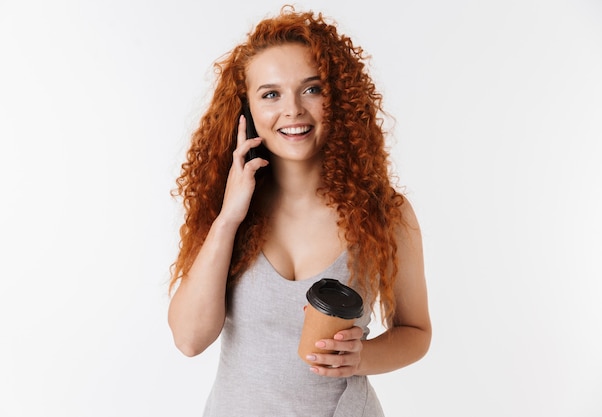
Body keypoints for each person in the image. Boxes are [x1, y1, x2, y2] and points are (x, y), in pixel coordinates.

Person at [167, 5, 431, 416]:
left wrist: (361, 358)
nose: (292, 110)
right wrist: (228, 220)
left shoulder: (385, 213)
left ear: (337, 96)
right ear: (247, 110)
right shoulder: (228, 210)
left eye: (312, 88)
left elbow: (415, 332)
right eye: (270, 94)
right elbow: (189, 339)